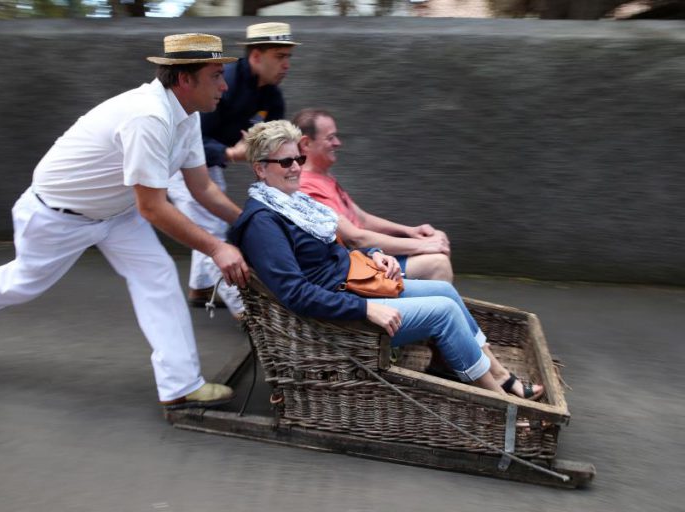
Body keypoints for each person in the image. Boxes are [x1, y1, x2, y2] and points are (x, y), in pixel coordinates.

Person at [0, 33, 251, 412]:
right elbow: (154, 209)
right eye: (216, 75)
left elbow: (202, 188)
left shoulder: (187, 116)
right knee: (23, 283)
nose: (225, 85)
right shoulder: (149, 117)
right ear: (184, 79)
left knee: (157, 276)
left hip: (117, 213)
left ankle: (180, 386)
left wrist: (247, 223)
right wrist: (216, 246)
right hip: (58, 215)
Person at [228, 120, 542, 399]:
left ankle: (497, 374)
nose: (296, 167)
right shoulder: (262, 222)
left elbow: (334, 251)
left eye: (299, 158)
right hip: (336, 317)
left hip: (354, 287)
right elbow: (295, 293)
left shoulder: (294, 203)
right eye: (286, 162)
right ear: (260, 168)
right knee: (444, 312)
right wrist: (365, 308)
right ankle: (500, 402)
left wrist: (373, 254)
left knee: (445, 292)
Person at [168, 22, 298, 317]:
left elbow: (272, 148)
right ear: (255, 56)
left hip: (208, 164)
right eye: (280, 57)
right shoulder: (222, 83)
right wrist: (229, 152)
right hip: (176, 162)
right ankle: (248, 312)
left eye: (289, 57)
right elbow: (191, 139)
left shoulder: (272, 98)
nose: (287, 65)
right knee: (211, 231)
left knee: (209, 222)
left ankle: (201, 289)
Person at [293, 108, 454, 283]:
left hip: (369, 255)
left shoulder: (324, 176)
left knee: (436, 238)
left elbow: (363, 219)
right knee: (438, 262)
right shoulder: (305, 187)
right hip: (355, 268)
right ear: (306, 144)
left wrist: (411, 231)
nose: (338, 143)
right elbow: (355, 238)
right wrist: (423, 246)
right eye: (330, 138)